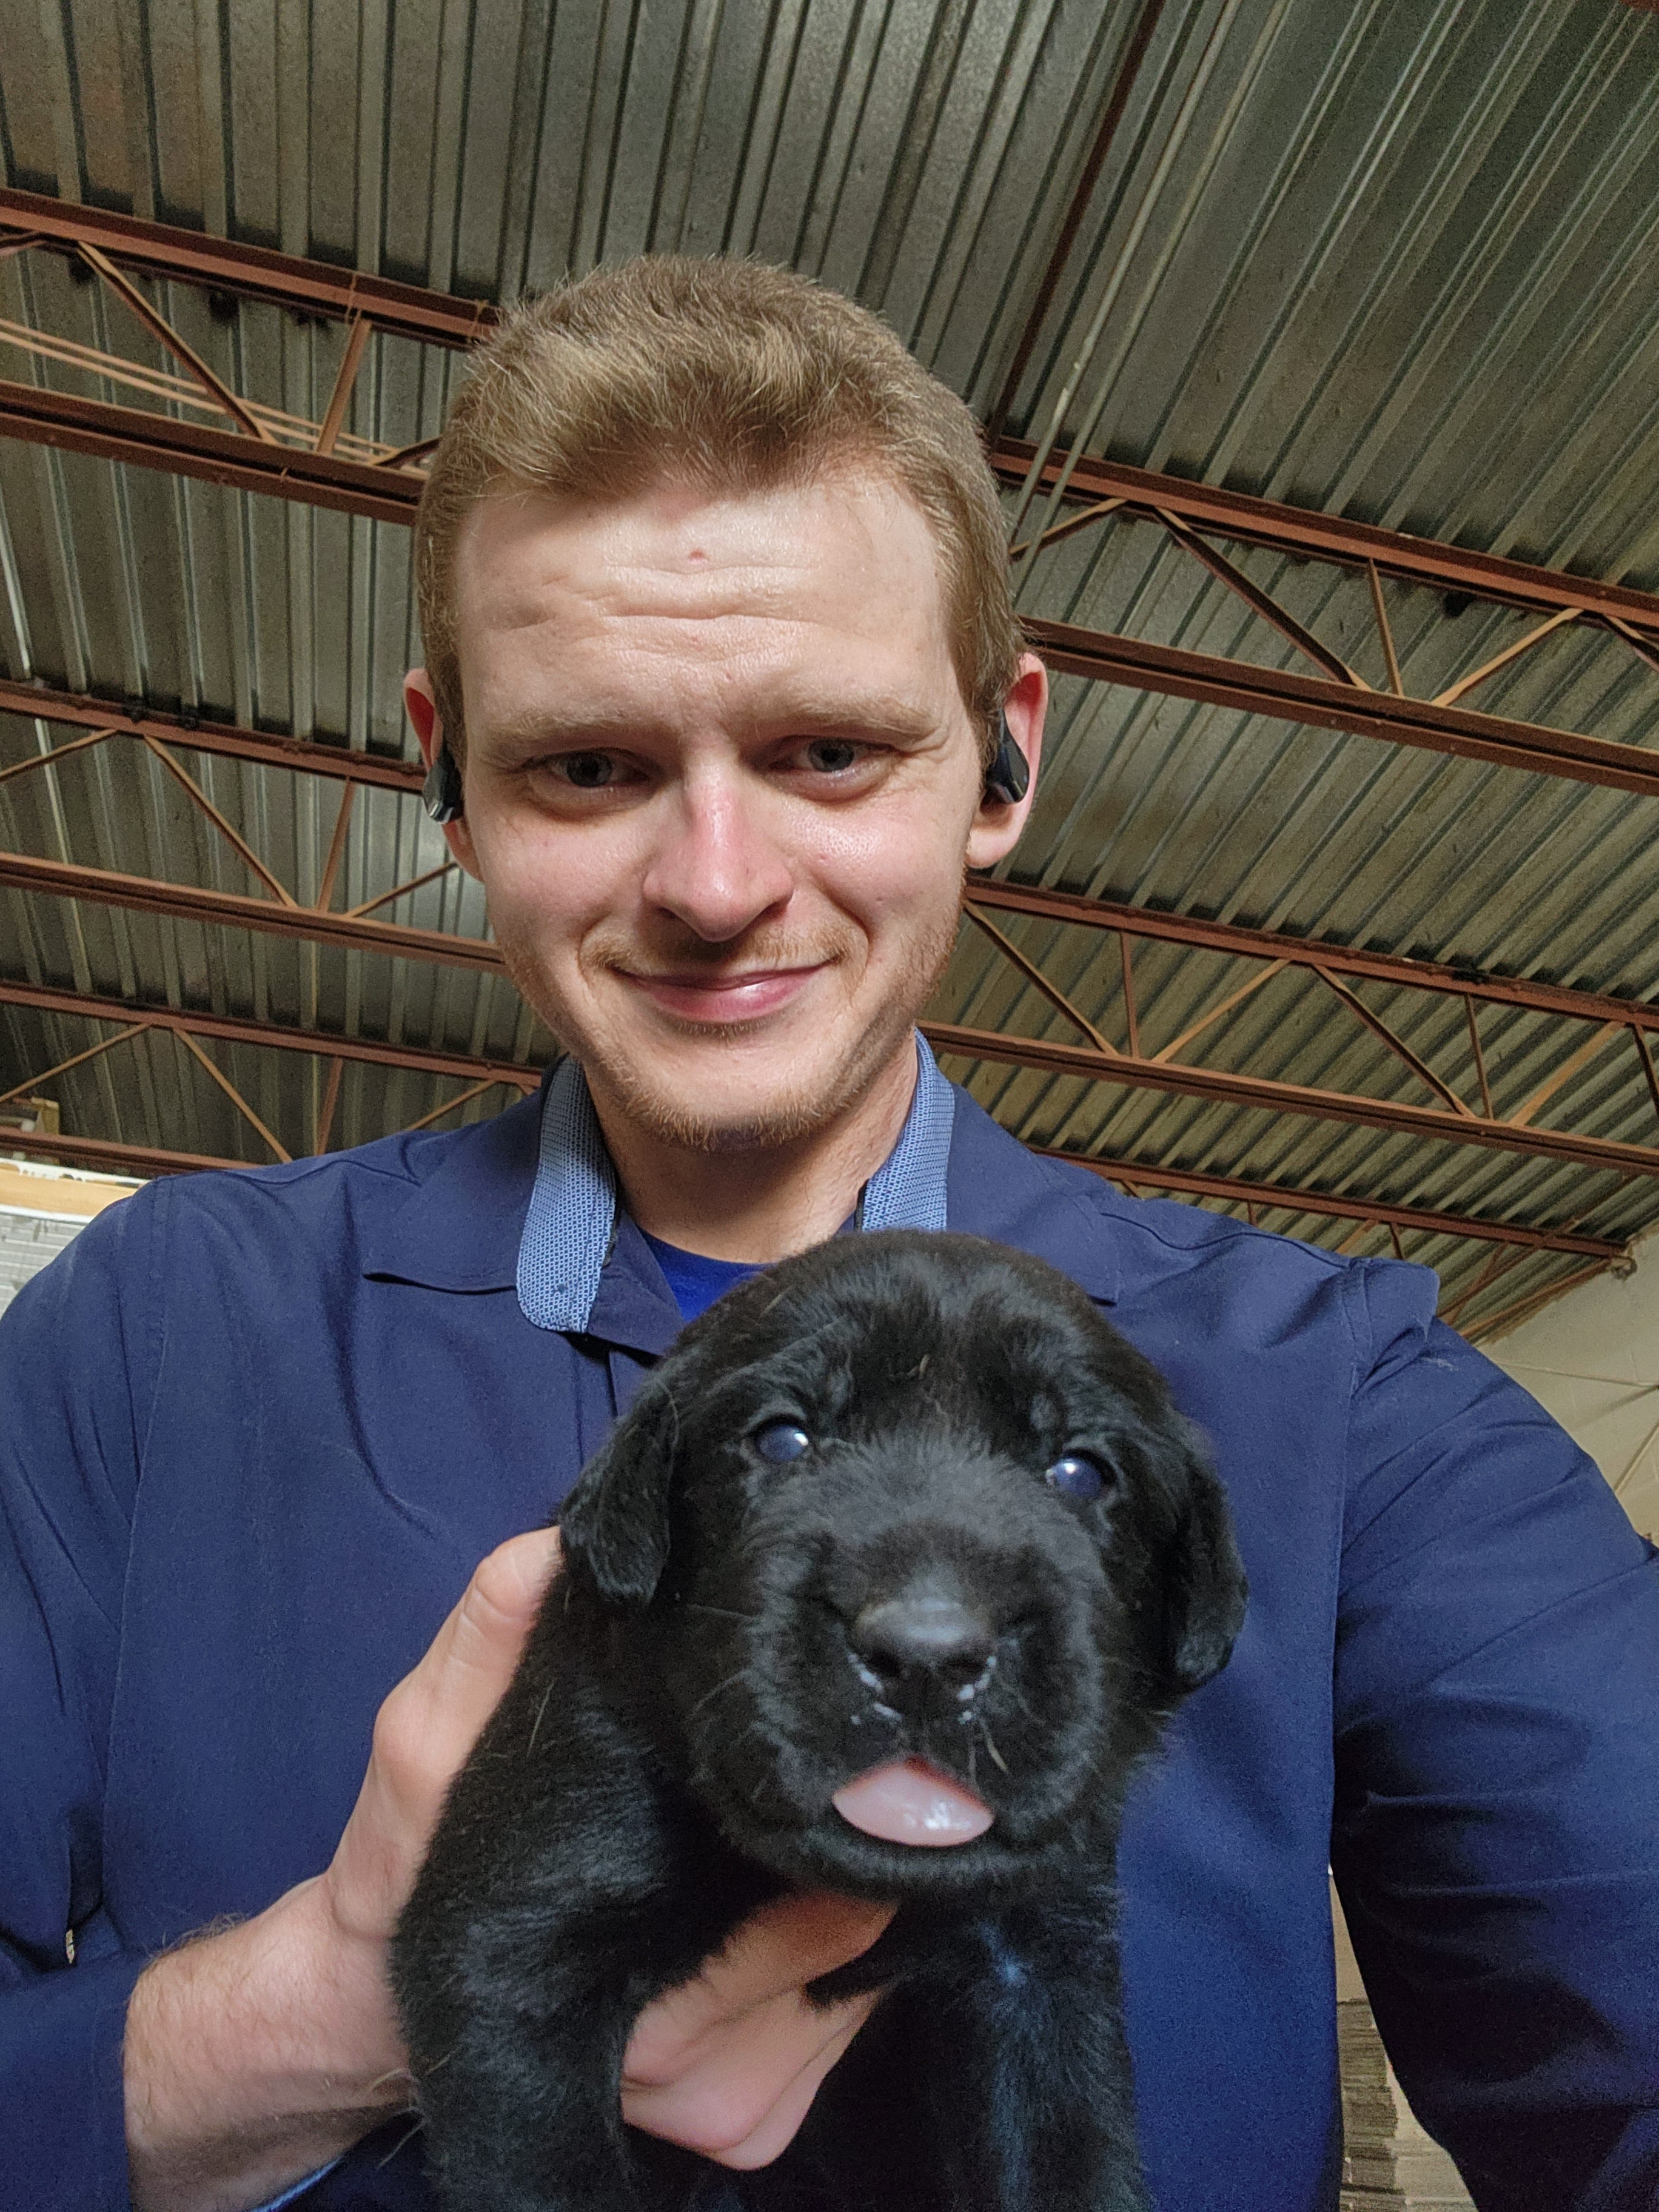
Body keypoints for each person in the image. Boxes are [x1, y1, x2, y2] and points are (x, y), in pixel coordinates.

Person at [1, 256, 1655, 2212]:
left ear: (1005, 753)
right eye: (591, 766)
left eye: (828, 753)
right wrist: (324, 2010)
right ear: (446, 775)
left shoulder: (1335, 1395)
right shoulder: (155, 1332)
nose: (717, 884)